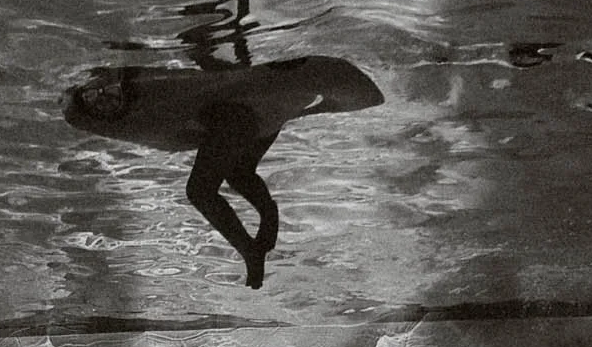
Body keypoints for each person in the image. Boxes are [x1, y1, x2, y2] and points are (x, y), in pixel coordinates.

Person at [61, 54, 384, 288]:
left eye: (102, 91)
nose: (103, 96)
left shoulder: (147, 88)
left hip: (245, 113)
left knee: (201, 190)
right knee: (238, 175)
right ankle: (267, 219)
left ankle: (251, 250)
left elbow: (210, 82)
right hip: (251, 114)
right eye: (96, 100)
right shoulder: (145, 109)